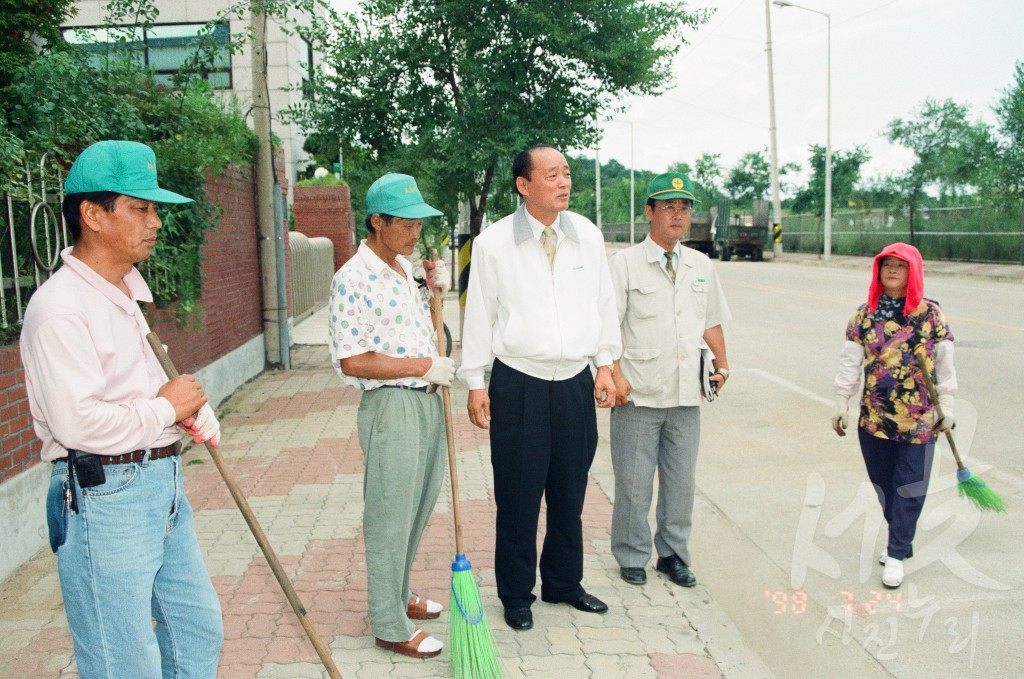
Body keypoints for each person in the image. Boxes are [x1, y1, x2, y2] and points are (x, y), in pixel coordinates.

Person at [20, 140, 223, 677]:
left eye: (154, 210)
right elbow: (78, 422)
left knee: (197, 630)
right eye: (141, 208)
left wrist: (188, 412)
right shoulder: (60, 309)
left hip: (160, 485)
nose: (155, 222)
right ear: (92, 214)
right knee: (123, 658)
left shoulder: (124, 294)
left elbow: (140, 391)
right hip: (105, 496)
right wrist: (162, 408)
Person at [459, 145, 622, 631]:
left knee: (570, 492)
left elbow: (603, 303)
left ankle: (563, 584)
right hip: (518, 383)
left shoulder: (587, 237)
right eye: (552, 175)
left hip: (574, 382)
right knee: (519, 495)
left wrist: (606, 365)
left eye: (567, 173)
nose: (564, 182)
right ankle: (515, 595)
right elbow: (479, 315)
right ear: (523, 185)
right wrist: (474, 380)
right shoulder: (493, 244)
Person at [328, 172, 454, 659]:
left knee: (418, 506)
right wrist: (424, 365)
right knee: (389, 515)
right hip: (392, 405)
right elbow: (353, 359)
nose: (415, 232)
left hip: (427, 400)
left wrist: (435, 294)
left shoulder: (406, 270)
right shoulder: (353, 278)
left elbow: (432, 341)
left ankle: (399, 595)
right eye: (405, 223)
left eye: (420, 222)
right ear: (377, 221)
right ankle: (388, 621)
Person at [608, 172, 731, 590]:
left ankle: (673, 555)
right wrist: (614, 375)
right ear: (649, 212)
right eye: (668, 206)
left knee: (681, 484)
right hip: (638, 392)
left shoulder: (701, 265)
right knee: (633, 483)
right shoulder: (624, 264)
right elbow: (609, 328)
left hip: (685, 393)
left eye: (685, 207)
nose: (678, 215)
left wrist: (723, 365)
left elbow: (710, 321)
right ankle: (631, 554)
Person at [831, 242, 957, 589]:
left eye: (899, 266)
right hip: (874, 418)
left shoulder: (931, 315)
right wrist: (842, 399)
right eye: (886, 264)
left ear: (912, 272)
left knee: (910, 488)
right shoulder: (864, 315)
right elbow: (849, 362)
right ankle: (901, 534)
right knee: (884, 486)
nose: (891, 270)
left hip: (919, 420)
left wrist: (948, 405)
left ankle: (897, 552)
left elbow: (945, 366)